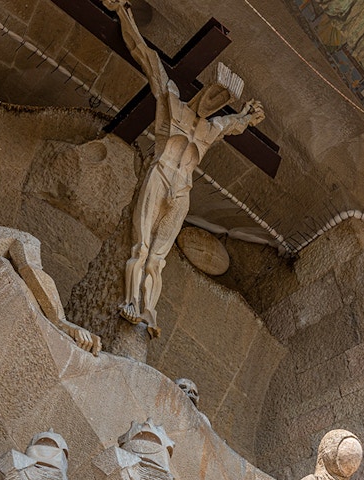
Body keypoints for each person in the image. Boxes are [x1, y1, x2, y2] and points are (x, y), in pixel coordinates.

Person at [104, 0, 265, 337]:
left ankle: (149, 312)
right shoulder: (172, 102)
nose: (214, 103)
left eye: (221, 101)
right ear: (204, 91)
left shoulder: (210, 129)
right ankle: (129, 301)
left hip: (182, 191)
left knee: (158, 259)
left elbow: (234, 125)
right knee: (141, 247)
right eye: (213, 95)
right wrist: (122, 12)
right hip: (160, 175)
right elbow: (144, 55)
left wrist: (249, 117)